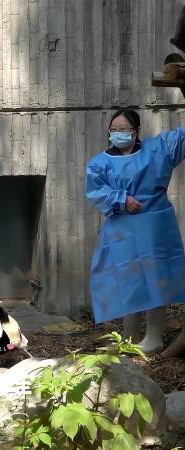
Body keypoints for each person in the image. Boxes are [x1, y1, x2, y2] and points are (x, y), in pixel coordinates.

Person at [85, 108, 185, 352]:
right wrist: (121, 199)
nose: (118, 134)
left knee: (155, 277)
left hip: (154, 224)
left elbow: (182, 137)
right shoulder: (100, 162)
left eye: (124, 130)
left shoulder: (157, 149)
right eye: (114, 130)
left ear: (137, 131)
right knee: (127, 278)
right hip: (122, 228)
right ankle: (128, 337)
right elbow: (95, 190)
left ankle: (154, 336)